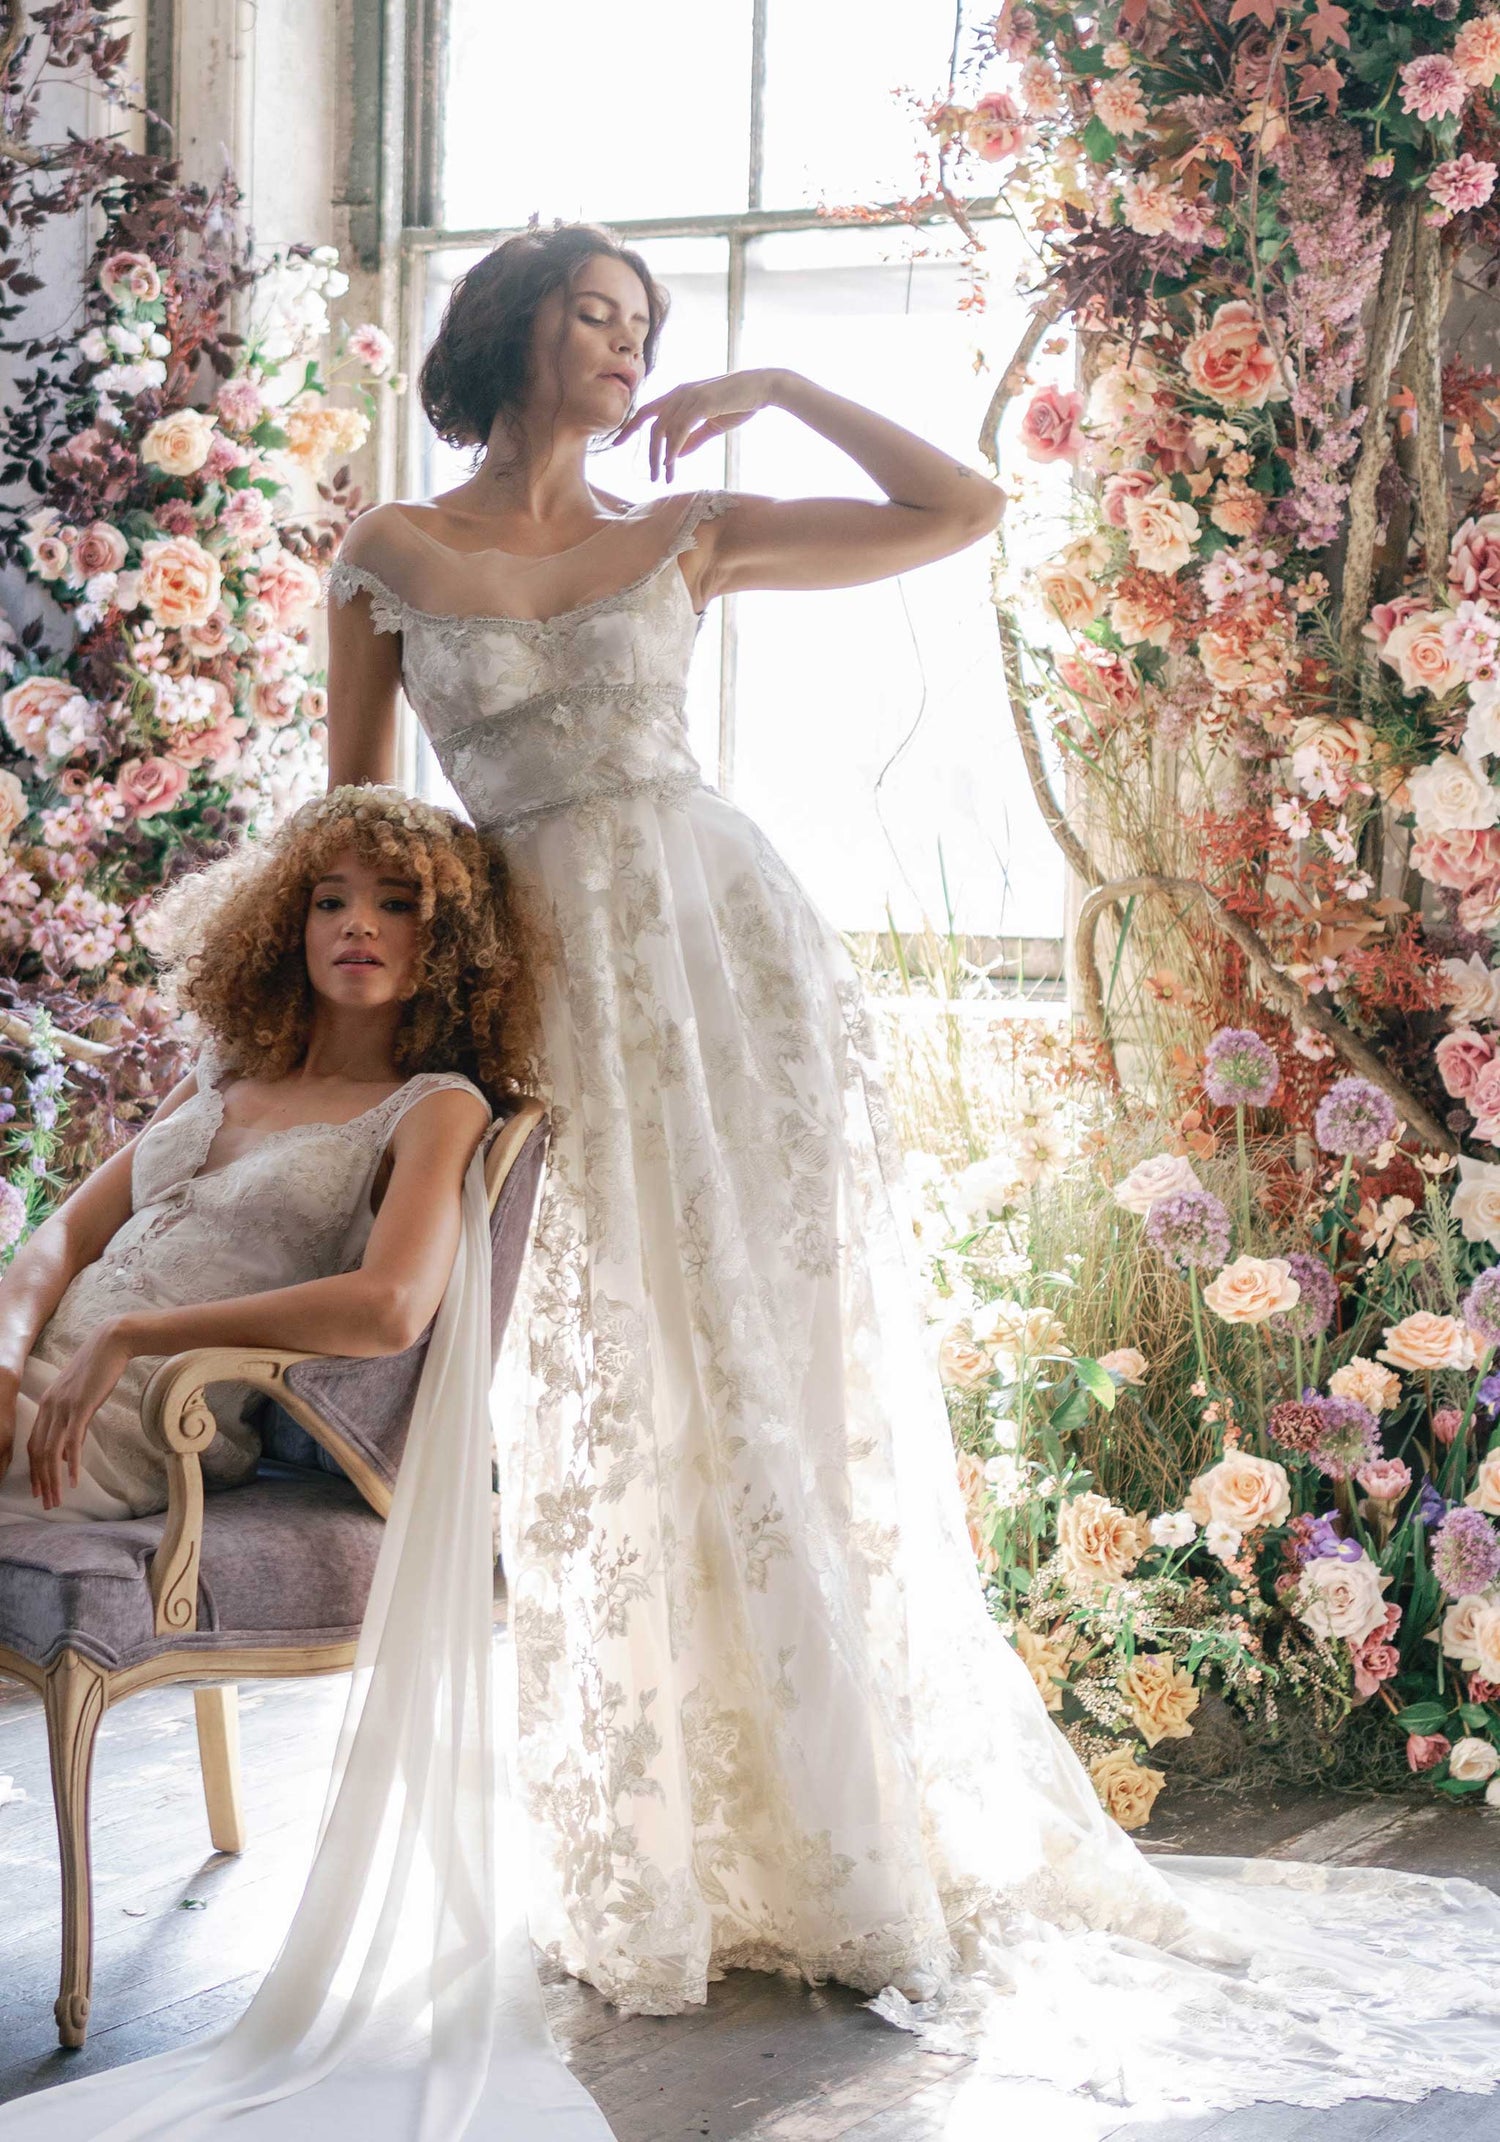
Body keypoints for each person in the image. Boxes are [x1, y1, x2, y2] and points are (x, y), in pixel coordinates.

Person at [320, 222, 1500, 2118]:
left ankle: (838, 1834)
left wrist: (781, 388)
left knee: (781, 1378)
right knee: (610, 1400)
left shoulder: (685, 529)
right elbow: (358, 826)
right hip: (540, 984)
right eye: (600, 315)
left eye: (652, 323)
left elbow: (959, 504)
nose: (632, 347)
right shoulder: (388, 555)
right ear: (511, 327)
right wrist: (368, 1067)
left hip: (731, 965)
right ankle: (672, 1851)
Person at [0, 785, 614, 2141]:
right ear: (286, 920)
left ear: (447, 940)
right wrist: (10, 1342)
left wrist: (145, 1335)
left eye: (397, 904)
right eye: (331, 898)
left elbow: (391, 1310)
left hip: (128, 1429)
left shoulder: (435, 1104)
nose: (357, 927)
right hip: (27, 1388)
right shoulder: (226, 1083)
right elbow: (51, 1239)